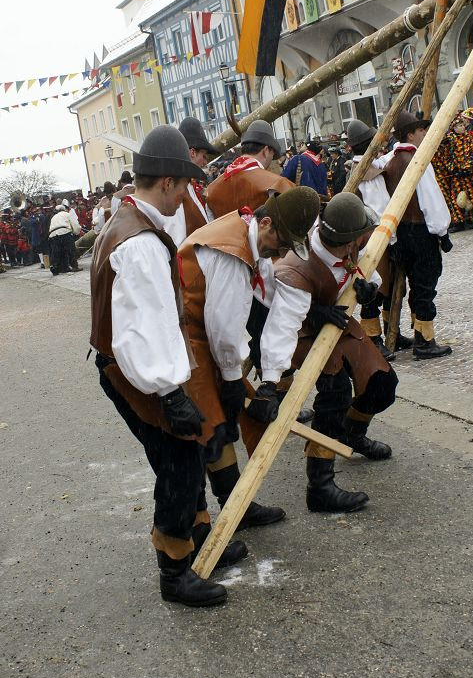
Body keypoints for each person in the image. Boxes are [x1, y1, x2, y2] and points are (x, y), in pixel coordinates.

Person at [90, 126, 236, 608]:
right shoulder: (141, 243)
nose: (186, 196)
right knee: (179, 460)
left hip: (128, 367)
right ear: (169, 182)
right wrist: (170, 394)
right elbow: (141, 328)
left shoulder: (126, 219)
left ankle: (195, 546)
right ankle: (175, 573)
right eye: (185, 185)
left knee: (184, 455)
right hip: (135, 371)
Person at [178, 186, 320, 527]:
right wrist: (232, 382)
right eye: (282, 242)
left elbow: (270, 297)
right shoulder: (234, 253)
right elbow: (224, 328)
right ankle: (198, 529)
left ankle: (235, 505)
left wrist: (315, 314)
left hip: (200, 334)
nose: (282, 252)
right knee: (207, 430)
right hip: (185, 337)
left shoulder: (247, 233)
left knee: (221, 425)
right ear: (267, 223)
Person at [250, 193, 399, 514]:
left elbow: (364, 268)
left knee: (382, 385)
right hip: (304, 331)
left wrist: (368, 285)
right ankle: (320, 486)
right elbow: (281, 327)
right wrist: (270, 383)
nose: (351, 248)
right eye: (345, 244)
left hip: (338, 320)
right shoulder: (296, 269)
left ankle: (352, 435)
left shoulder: (348, 237)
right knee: (334, 396)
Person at [383, 112, 453, 359]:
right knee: (425, 284)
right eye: (421, 131)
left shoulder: (389, 160)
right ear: (410, 134)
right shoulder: (417, 159)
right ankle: (425, 340)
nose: (425, 134)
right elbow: (430, 200)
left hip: (400, 231)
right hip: (420, 230)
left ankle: (410, 333)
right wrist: (442, 231)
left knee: (413, 283)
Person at [345, 118, 401, 359]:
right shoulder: (358, 172)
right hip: (370, 238)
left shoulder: (374, 166)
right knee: (373, 291)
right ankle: (373, 339)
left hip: (385, 235)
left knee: (389, 286)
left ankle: (391, 332)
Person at [206, 120, 293, 218]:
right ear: (266, 151)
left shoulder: (211, 191)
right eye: (272, 155)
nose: (271, 160)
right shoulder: (277, 184)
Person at [162, 117, 217, 247]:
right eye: (203, 156)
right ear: (192, 152)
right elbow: (177, 242)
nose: (205, 162)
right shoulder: (175, 190)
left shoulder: (190, 186)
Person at [446, 112, 473, 231]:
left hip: (467, 173)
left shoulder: (469, 138)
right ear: (454, 128)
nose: (463, 127)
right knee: (455, 197)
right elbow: (447, 157)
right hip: (456, 173)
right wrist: (454, 169)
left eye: (463, 125)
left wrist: (468, 168)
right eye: (459, 126)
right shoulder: (450, 139)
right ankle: (459, 221)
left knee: (470, 195)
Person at [48, 200, 78, 275]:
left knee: (57, 252)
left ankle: (56, 267)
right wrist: (76, 232)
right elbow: (75, 225)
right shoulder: (67, 214)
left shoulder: (54, 217)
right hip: (64, 232)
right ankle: (74, 266)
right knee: (70, 250)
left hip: (53, 235)